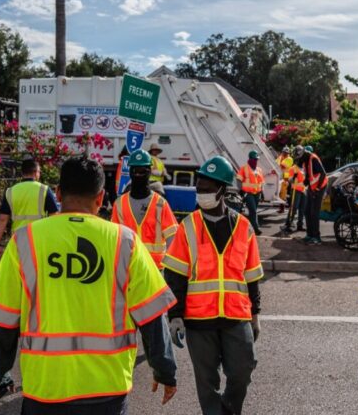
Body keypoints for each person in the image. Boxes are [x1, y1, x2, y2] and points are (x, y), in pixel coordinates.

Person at [0, 156, 178, 414]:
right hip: (107, 387)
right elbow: (152, 316)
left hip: (45, 386)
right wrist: (165, 370)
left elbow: (4, 319)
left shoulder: (24, 240)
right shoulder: (126, 242)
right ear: (100, 198)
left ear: (58, 193)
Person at [162, 156, 263, 415]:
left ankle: (228, 410)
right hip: (198, 320)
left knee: (243, 372)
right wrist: (175, 316)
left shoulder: (243, 227)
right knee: (207, 384)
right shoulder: (187, 227)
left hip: (236, 316)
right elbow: (175, 276)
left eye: (207, 189)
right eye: (199, 188)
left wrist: (255, 315)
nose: (201, 194)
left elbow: (252, 276)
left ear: (222, 190)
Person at [111, 149, 179, 270]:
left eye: (142, 171)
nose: (138, 175)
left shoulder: (160, 204)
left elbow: (173, 239)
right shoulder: (119, 204)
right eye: (135, 171)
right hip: (130, 267)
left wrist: (171, 271)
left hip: (156, 269)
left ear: (150, 171)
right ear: (130, 172)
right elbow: (113, 238)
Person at [0, 159, 59, 260]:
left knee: (19, 268)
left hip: (17, 239)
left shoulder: (10, 191)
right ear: (35, 172)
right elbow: (54, 217)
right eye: (39, 172)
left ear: (22, 173)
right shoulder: (44, 190)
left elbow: (3, 219)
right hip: (38, 239)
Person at [293, 145, 327, 245]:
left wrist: (317, 189)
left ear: (304, 154)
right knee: (307, 211)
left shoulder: (313, 159)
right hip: (312, 188)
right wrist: (303, 184)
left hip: (320, 187)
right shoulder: (305, 161)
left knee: (314, 213)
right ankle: (309, 235)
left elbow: (323, 174)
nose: (299, 160)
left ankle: (316, 237)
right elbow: (308, 177)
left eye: (300, 158)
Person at [237, 150, 265, 236]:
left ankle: (249, 228)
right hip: (248, 193)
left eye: (257, 159)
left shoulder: (259, 170)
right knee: (253, 210)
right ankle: (256, 228)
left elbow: (261, 182)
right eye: (255, 159)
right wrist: (241, 190)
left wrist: (262, 193)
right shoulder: (244, 168)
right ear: (250, 159)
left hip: (257, 193)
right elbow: (238, 180)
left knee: (254, 211)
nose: (256, 161)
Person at [284, 163, 306, 231]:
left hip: (303, 190)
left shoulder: (304, 168)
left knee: (302, 208)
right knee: (294, 207)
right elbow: (289, 180)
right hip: (295, 190)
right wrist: (293, 177)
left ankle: (300, 225)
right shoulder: (293, 168)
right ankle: (288, 224)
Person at [276, 146, 293, 213]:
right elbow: (275, 164)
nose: (285, 153)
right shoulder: (280, 157)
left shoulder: (290, 159)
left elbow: (283, 166)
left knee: (283, 192)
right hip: (279, 176)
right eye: (284, 152)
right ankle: (281, 207)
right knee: (280, 192)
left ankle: (282, 208)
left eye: (286, 152)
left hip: (286, 177)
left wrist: (279, 163)